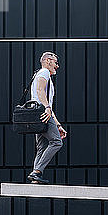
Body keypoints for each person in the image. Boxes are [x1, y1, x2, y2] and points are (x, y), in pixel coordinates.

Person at [27, 51, 67, 184]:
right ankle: (37, 171)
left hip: (38, 113)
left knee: (42, 146)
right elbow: (40, 90)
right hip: (42, 113)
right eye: (55, 62)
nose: (57, 66)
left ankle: (35, 177)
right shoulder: (44, 72)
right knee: (56, 142)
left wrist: (58, 125)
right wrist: (47, 108)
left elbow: (45, 99)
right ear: (48, 61)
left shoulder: (39, 74)